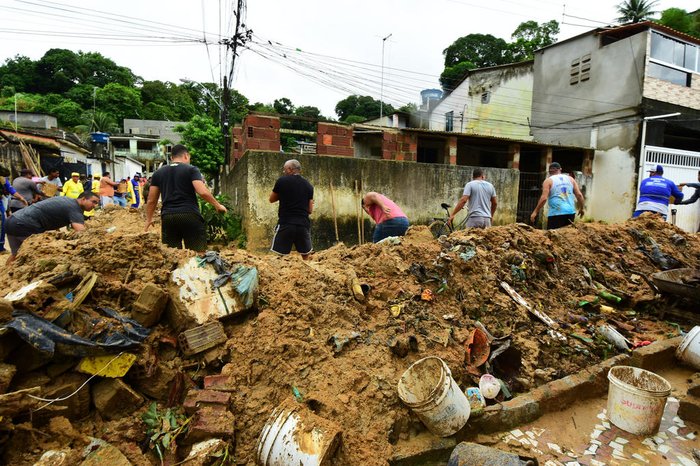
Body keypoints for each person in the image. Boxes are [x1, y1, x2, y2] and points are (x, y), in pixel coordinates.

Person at [145, 144, 227, 251]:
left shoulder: (158, 173)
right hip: (189, 214)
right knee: (198, 254)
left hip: (168, 217)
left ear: (171, 158)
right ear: (186, 156)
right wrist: (217, 205)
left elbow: (151, 200)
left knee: (172, 255)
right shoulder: (192, 170)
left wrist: (149, 219)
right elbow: (202, 192)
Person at [5, 191, 99, 265]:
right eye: (93, 202)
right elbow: (82, 233)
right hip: (24, 224)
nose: (95, 206)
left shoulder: (67, 200)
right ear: (83, 199)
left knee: (16, 254)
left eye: (97, 203)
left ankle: (4, 276)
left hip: (13, 220)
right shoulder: (74, 208)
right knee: (37, 254)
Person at [269, 159, 314, 259]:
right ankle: (307, 272)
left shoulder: (282, 181)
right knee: (306, 254)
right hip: (303, 224)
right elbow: (310, 210)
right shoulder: (309, 186)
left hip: (286, 223)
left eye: (284, 169)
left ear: (290, 169)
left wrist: (283, 195)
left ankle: (280, 272)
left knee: (280, 254)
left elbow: (271, 199)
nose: (283, 172)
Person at [530, 162, 585, 229]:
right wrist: (582, 208)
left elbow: (544, 198)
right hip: (570, 213)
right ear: (560, 169)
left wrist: (535, 212)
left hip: (556, 213)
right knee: (567, 236)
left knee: (553, 237)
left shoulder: (548, 181)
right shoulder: (571, 179)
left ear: (550, 171)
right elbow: (579, 195)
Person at [1, 166, 28, 253]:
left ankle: (1, 247)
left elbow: (11, 189)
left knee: (2, 224)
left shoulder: (3, 179)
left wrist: (21, 198)